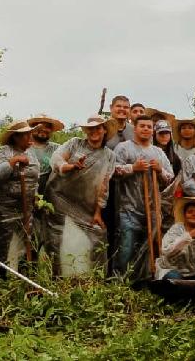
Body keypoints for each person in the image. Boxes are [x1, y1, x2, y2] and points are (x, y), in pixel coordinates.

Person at [46, 116, 117, 276]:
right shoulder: (75, 143)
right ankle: (55, 277)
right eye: (91, 128)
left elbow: (103, 186)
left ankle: (95, 279)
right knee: (58, 238)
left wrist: (98, 212)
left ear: (104, 130)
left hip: (86, 205)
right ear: (86, 131)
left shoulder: (109, 155)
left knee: (98, 235)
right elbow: (57, 159)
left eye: (98, 128)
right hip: (59, 197)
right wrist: (69, 166)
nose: (94, 131)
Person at [112, 116, 174, 278]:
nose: (146, 129)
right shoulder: (123, 148)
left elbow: (170, 178)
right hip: (128, 207)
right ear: (135, 128)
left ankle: (145, 280)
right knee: (126, 248)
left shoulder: (158, 152)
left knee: (151, 247)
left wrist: (160, 170)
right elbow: (112, 171)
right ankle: (120, 282)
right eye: (142, 126)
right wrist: (133, 167)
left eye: (149, 126)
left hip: (153, 208)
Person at [0, 121, 41, 271]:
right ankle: (0, 277)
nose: (30, 136)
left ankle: (26, 275)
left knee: (29, 243)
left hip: (27, 208)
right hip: (4, 210)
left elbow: (35, 178)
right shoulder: (3, 152)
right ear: (16, 137)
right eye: (26, 134)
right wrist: (14, 161)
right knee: (3, 245)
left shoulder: (31, 153)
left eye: (30, 133)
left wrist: (35, 195)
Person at [154, 197, 195, 297]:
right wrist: (188, 236)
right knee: (175, 279)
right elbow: (167, 251)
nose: (194, 214)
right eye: (190, 211)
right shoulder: (176, 230)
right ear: (185, 215)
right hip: (172, 269)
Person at [153, 120, 183, 232]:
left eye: (167, 133)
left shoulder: (175, 158)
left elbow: (176, 181)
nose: (164, 136)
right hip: (151, 196)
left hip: (169, 200)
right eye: (161, 133)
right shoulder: (150, 153)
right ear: (155, 135)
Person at [28, 114, 64, 194]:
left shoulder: (56, 148)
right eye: (40, 126)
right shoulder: (24, 147)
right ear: (33, 128)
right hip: (26, 192)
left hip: (48, 193)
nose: (44, 129)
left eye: (48, 127)